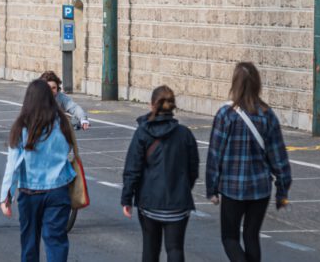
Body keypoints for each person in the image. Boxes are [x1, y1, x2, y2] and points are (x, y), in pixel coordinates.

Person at [206, 62, 292, 262]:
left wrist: (212, 188)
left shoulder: (225, 115)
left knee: (229, 237)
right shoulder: (267, 115)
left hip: (232, 187)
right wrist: (282, 191)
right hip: (260, 188)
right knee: (252, 236)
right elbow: (279, 157)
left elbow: (215, 155)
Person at [0, 79, 76, 262]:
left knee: (30, 242)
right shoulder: (62, 123)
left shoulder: (22, 126)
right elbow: (69, 151)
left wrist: (6, 196)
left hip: (30, 191)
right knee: (56, 240)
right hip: (58, 189)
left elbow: (13, 165)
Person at [121, 86, 199, 262]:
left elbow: (133, 168)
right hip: (178, 202)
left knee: (150, 248)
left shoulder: (143, 133)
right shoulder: (184, 134)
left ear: (152, 105)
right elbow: (193, 168)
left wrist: (127, 198)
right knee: (175, 248)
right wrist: (184, 187)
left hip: (150, 202)